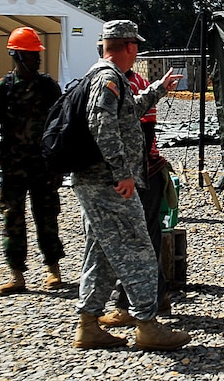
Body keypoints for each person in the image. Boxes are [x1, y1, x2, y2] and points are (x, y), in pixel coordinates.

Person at [71, 20, 189, 351]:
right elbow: (102, 125)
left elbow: (128, 111)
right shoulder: (109, 78)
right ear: (130, 47)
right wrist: (122, 172)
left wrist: (158, 89)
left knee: (102, 253)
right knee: (138, 248)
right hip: (108, 183)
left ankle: (89, 325)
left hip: (95, 181)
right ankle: (147, 326)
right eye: (136, 46)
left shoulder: (103, 76)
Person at [0, 27, 65, 296]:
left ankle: (53, 269)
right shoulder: (1, 89)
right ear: (16, 55)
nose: (37, 60)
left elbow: (60, 127)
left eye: (37, 55)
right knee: (12, 219)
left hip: (43, 165)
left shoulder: (49, 87)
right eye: (31, 55)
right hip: (13, 166)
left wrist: (59, 166)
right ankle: (16, 274)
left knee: (47, 217)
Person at [97, 66, 182, 327]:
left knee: (132, 238)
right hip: (144, 170)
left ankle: (125, 304)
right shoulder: (127, 82)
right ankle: (158, 293)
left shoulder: (126, 85)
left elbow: (140, 133)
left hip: (141, 171)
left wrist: (124, 173)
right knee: (144, 235)